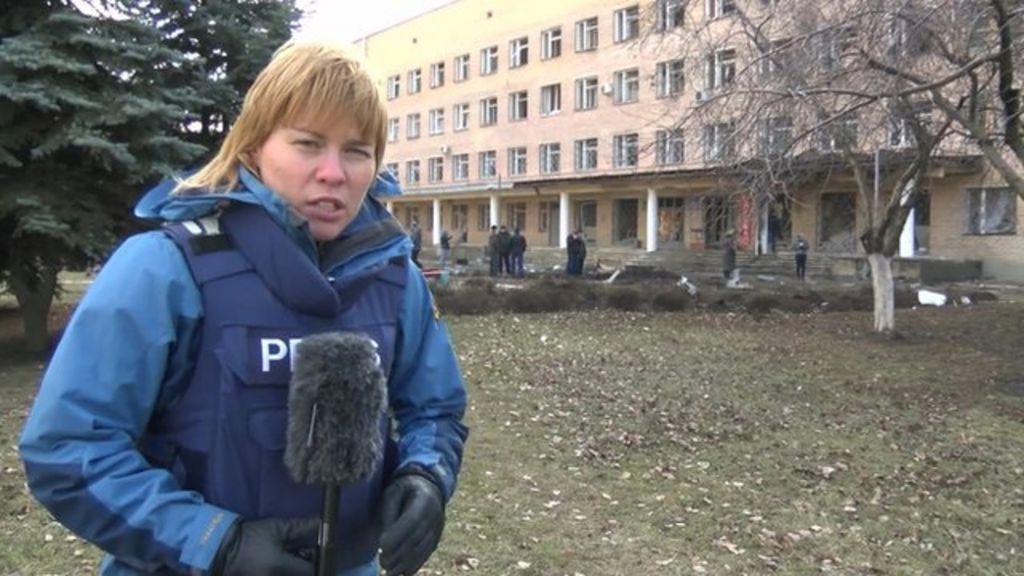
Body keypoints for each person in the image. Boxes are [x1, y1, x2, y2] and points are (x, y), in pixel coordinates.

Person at [19, 41, 468, 576]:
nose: (334, 172)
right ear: (255, 148)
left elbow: (434, 409)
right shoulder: (163, 268)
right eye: (307, 144)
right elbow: (68, 448)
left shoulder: (397, 282)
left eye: (357, 150)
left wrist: (425, 475)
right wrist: (215, 542)